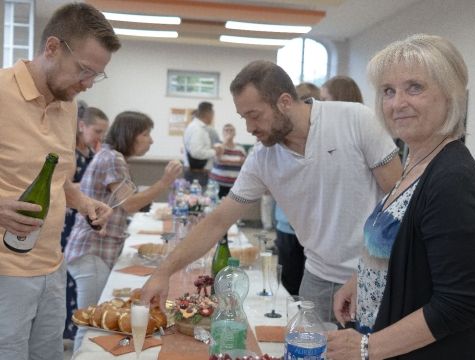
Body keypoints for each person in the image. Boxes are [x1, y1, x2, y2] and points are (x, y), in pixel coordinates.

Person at [142, 60, 403, 322]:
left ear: (285, 102)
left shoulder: (354, 119)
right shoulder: (262, 158)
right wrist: (164, 271)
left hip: (375, 276)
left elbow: (400, 200)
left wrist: (369, 269)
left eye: (254, 115)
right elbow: (217, 221)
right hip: (317, 280)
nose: (249, 128)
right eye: (244, 118)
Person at [327, 34, 475, 360]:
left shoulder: (453, 178)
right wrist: (360, 279)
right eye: (388, 91)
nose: (397, 103)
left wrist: (368, 347)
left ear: (451, 95)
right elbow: (407, 248)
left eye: (415, 88)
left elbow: (459, 303)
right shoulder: (416, 162)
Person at [0, 3, 118, 360]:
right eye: (84, 70)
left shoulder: (68, 106)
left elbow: (58, 181)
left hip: (53, 265)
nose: (87, 83)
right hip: (6, 272)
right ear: (52, 47)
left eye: (96, 75)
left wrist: (84, 203)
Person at [65, 111, 182, 350]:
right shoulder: (112, 158)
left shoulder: (112, 156)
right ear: (130, 134)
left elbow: (123, 203)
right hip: (93, 250)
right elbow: (129, 204)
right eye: (145, 134)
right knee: (92, 325)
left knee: (94, 323)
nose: (150, 140)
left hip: (94, 250)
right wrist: (164, 182)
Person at [61, 105, 109, 341]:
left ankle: (73, 328)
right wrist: (92, 189)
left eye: (103, 133)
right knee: (69, 278)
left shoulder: (90, 151)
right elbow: (64, 186)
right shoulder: (70, 151)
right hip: (68, 217)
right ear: (81, 126)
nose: (100, 137)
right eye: (97, 131)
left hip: (84, 215)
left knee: (75, 282)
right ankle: (69, 329)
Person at [273, 82, 322, 295]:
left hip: (313, 230)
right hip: (288, 226)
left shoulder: (323, 140)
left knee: (307, 283)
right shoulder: (280, 143)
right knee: (290, 284)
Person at [183, 101, 224, 187]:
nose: (213, 117)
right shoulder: (198, 129)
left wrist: (210, 148)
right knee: (198, 200)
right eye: (213, 114)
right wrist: (214, 151)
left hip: (196, 172)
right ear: (208, 114)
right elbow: (196, 152)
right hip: (197, 174)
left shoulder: (195, 127)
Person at [209, 123, 247, 198]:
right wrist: (225, 141)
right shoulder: (218, 146)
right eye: (226, 130)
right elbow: (217, 159)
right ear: (222, 133)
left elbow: (244, 164)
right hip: (217, 184)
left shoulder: (240, 148)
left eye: (231, 130)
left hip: (234, 186)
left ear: (235, 133)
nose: (229, 132)